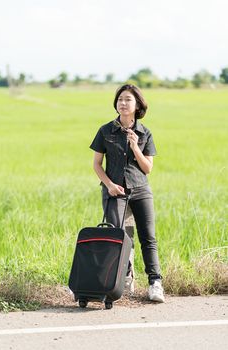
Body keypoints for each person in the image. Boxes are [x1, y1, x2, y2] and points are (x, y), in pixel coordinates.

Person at [89, 84, 165, 302]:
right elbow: (96, 165)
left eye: (128, 100)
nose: (123, 103)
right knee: (118, 237)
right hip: (115, 191)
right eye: (120, 99)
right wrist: (110, 185)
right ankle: (123, 277)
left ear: (137, 105)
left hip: (141, 190)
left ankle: (155, 283)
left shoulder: (144, 133)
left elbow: (148, 168)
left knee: (148, 238)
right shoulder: (105, 130)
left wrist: (135, 148)